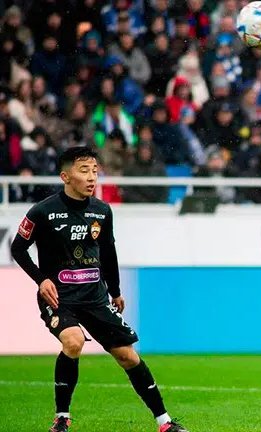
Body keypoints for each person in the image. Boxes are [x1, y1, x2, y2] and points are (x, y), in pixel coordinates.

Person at [10, 147, 188, 432]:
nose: (92, 177)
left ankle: (165, 423)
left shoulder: (102, 211)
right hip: (60, 298)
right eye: (84, 171)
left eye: (95, 170)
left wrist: (115, 291)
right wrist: (41, 279)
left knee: (128, 356)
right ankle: (62, 419)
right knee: (73, 341)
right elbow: (17, 249)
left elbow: (108, 253)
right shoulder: (42, 211)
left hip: (95, 296)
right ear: (65, 176)